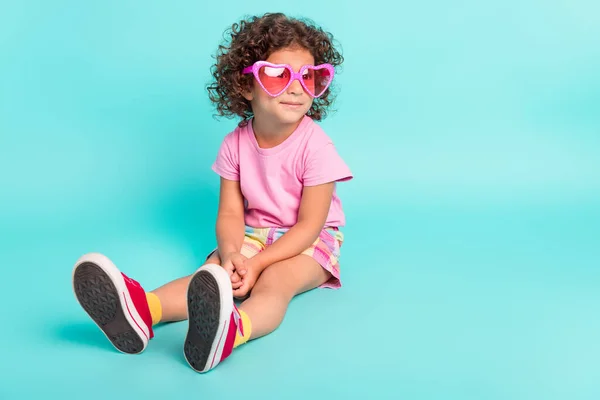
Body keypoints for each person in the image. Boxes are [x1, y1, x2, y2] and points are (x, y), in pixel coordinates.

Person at [72, 12, 352, 373]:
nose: (297, 88)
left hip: (311, 240)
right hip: (255, 235)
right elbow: (232, 214)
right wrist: (233, 254)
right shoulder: (235, 144)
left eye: (309, 76)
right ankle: (144, 310)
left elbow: (310, 225)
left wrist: (258, 264)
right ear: (246, 85)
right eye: (279, 75)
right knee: (212, 273)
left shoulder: (316, 147)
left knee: (275, 282)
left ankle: (235, 330)